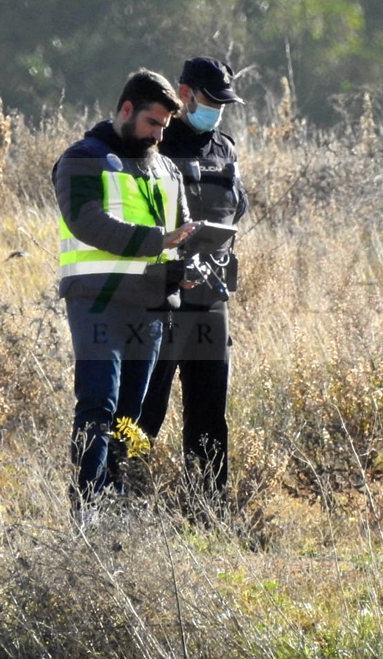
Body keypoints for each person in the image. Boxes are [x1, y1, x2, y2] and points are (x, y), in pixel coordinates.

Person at [53, 68, 198, 512]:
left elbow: (183, 233)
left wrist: (186, 268)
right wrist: (157, 242)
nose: (158, 134)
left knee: (130, 419)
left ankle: (117, 507)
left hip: (152, 307)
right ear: (127, 109)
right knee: (98, 404)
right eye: (152, 123)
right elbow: (87, 221)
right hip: (98, 302)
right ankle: (87, 511)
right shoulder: (82, 159)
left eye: (164, 127)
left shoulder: (166, 168)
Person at [138, 57, 249, 500]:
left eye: (225, 102)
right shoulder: (157, 143)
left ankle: (207, 506)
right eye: (209, 99)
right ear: (184, 95)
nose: (217, 109)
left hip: (210, 296)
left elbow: (236, 208)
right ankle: (124, 500)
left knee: (208, 411)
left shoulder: (226, 146)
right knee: (146, 407)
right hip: (161, 294)